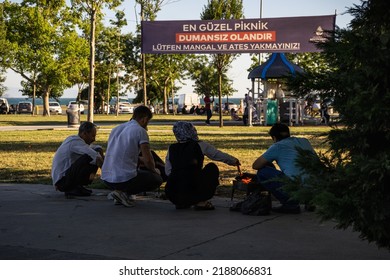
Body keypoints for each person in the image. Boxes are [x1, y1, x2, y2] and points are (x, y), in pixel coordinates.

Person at [165, 121, 240, 210]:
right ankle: (200, 201)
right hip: (194, 188)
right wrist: (233, 161)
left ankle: (183, 202)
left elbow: (168, 171)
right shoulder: (200, 145)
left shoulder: (172, 148)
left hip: (173, 192)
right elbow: (216, 154)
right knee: (212, 167)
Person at [101, 105, 164, 207]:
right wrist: (154, 170)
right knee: (157, 179)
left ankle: (119, 193)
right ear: (144, 119)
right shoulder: (140, 131)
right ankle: (124, 192)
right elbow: (148, 160)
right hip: (123, 179)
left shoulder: (116, 129)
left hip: (107, 178)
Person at [252, 123, 317, 214]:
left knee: (263, 172)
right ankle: (309, 201)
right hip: (315, 186)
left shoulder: (278, 146)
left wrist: (268, 163)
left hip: (296, 185)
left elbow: (256, 165)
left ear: (274, 138)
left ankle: (291, 204)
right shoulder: (304, 141)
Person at [51, 121, 104, 197]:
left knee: (96, 152)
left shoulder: (75, 140)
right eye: (92, 136)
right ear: (84, 134)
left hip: (64, 179)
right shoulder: (75, 142)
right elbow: (96, 157)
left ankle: (77, 186)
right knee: (89, 157)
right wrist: (110, 177)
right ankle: (72, 188)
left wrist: (100, 150)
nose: (94, 139)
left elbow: (96, 148)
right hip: (62, 182)